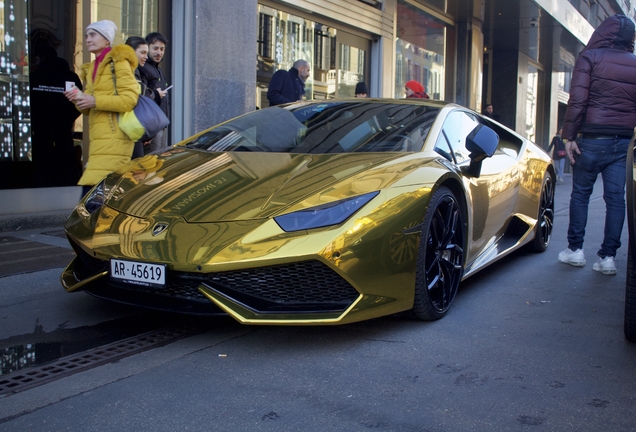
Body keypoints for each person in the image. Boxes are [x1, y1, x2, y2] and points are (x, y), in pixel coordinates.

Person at [558, 14, 636, 276]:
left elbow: (577, 100)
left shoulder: (590, 57)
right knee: (616, 200)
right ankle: (608, 257)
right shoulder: (635, 64)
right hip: (623, 142)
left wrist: (569, 136)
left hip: (591, 139)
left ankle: (576, 250)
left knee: (581, 194)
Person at [64, 20, 139, 197]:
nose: (88, 39)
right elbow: (88, 109)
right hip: (99, 143)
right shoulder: (92, 68)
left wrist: (95, 101)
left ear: (107, 40)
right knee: (97, 201)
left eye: (93, 35)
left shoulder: (118, 63)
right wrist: (77, 99)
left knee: (94, 199)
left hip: (116, 140)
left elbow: (129, 100)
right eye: (87, 35)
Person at [30, 44, 83, 187]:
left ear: (42, 58)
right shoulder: (69, 77)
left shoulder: (36, 77)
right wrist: (67, 119)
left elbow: (29, 103)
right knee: (65, 157)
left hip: (41, 128)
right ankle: (67, 186)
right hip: (63, 128)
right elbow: (78, 103)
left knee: (42, 161)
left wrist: (35, 121)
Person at [140, 32, 170, 155]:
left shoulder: (158, 69)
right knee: (151, 163)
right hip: (152, 127)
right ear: (147, 48)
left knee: (159, 163)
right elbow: (141, 98)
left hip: (162, 125)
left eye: (162, 49)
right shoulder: (143, 68)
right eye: (155, 48)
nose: (159, 52)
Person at [125, 36, 153, 159]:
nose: (146, 57)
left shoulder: (134, 70)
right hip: (128, 131)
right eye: (142, 52)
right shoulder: (127, 71)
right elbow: (139, 97)